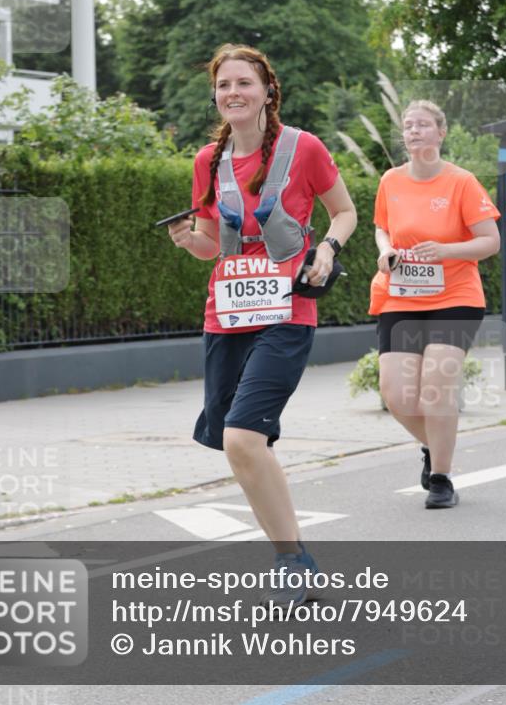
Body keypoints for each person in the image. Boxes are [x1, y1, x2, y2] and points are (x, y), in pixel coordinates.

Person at [166, 43, 357, 606]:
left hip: (286, 312)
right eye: (224, 85)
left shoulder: (305, 148)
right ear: (216, 94)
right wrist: (187, 241)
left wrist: (326, 247)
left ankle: (293, 561)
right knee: (242, 445)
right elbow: (211, 247)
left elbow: (344, 211)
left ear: (267, 90)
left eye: (244, 83)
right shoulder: (207, 161)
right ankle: (293, 554)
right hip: (226, 315)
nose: (233, 93)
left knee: (242, 436)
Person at [369, 100, 500, 508]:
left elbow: (490, 242)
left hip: (455, 297)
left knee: (436, 389)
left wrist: (445, 250)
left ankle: (441, 478)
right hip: (401, 296)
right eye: (408, 126)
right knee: (397, 395)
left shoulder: (461, 182)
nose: (414, 131)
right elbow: (381, 228)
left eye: (423, 125)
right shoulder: (391, 180)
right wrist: (386, 249)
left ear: (440, 133)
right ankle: (434, 446)